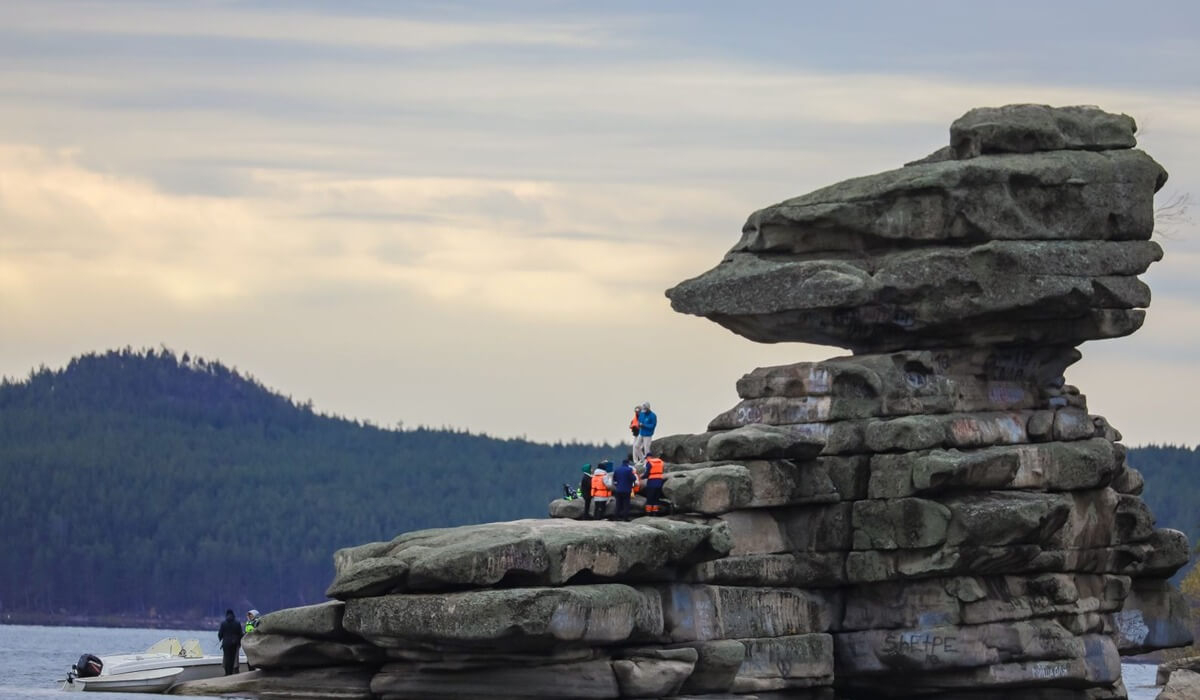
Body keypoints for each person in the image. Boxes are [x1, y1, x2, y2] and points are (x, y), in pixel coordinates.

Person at [217, 608, 243, 676]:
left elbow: (220, 634)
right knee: (232, 658)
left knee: (226, 658)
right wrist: (239, 642)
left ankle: (227, 673)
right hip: (234, 643)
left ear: (227, 614)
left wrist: (220, 638)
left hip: (226, 643)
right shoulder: (237, 623)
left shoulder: (223, 623)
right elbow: (240, 634)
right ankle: (231, 673)